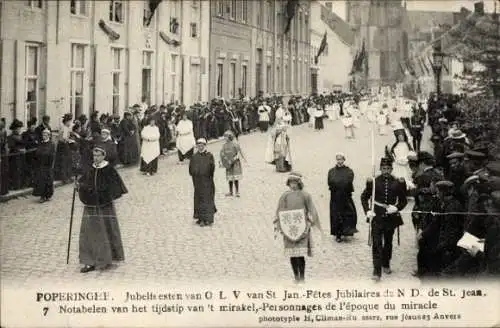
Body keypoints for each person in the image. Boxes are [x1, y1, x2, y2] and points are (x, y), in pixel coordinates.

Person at [77, 146, 127, 273]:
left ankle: (107, 258)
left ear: (104, 156)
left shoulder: (109, 169)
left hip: (104, 207)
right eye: (94, 155)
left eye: (98, 155)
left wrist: (102, 193)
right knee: (88, 232)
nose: (96, 158)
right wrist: (79, 186)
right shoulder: (90, 169)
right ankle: (89, 261)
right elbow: (84, 182)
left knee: (106, 231)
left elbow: (114, 188)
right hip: (90, 206)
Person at [361, 157, 408, 281]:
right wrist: (368, 210)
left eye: (388, 168)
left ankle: (386, 263)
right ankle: (376, 271)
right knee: (376, 243)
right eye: (383, 169)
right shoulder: (374, 182)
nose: (386, 171)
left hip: (390, 218)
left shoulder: (398, 182)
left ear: (392, 169)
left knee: (388, 242)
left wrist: (396, 208)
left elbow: (404, 201)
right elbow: (364, 197)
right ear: (380, 169)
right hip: (376, 217)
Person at [274, 172, 322, 283]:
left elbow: (311, 210)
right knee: (292, 255)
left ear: (299, 183)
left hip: (302, 229)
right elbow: (280, 211)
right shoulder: (284, 196)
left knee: (300, 255)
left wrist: (309, 222)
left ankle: (302, 278)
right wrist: (280, 225)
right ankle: (296, 277)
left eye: (295, 182)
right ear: (288, 183)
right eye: (291, 183)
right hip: (288, 229)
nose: (293, 185)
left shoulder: (305, 195)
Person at [327, 153, 358, 242]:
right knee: (336, 216)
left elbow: (349, 181)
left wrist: (340, 185)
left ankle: (347, 231)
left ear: (344, 160)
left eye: (341, 159)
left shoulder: (349, 171)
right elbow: (330, 182)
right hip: (335, 197)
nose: (339, 161)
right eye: (338, 159)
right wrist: (337, 185)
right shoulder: (331, 171)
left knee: (347, 214)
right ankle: (338, 234)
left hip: (345, 196)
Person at [189, 138, 217, 227]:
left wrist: (206, 174)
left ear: (205, 146)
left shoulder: (209, 156)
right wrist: (195, 173)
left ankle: (208, 219)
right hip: (197, 182)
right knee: (199, 199)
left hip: (207, 181)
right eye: (198, 146)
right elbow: (190, 169)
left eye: (202, 146)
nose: (200, 147)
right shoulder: (194, 157)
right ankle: (201, 218)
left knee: (207, 199)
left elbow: (212, 168)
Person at [219, 130, 246, 197]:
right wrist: (222, 161)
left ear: (230, 137)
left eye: (226, 137)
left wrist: (233, 159)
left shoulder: (235, 144)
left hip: (235, 163)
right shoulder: (224, 145)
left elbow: (239, 153)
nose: (225, 138)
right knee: (230, 178)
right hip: (228, 164)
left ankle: (237, 192)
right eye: (224, 136)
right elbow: (222, 153)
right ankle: (230, 191)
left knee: (235, 178)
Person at [32, 129, 56, 203]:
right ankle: (42, 196)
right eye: (43, 135)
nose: (44, 136)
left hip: (47, 165)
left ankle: (47, 195)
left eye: (45, 135)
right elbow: (37, 153)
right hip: (40, 164)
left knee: (47, 180)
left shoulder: (51, 144)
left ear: (49, 136)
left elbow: (52, 155)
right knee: (41, 181)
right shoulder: (41, 143)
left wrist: (50, 165)